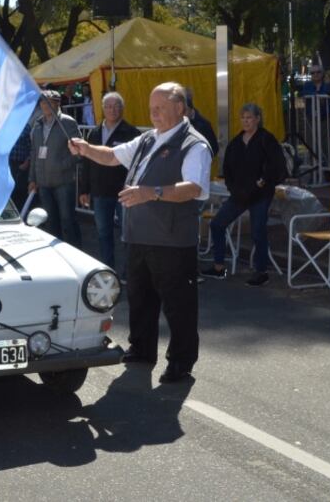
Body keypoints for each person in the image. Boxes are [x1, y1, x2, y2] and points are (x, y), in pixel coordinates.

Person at [68, 82, 212, 383]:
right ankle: (142, 348)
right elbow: (111, 156)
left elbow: (194, 188)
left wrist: (151, 192)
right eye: (151, 108)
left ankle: (181, 362)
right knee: (140, 298)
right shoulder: (148, 139)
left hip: (173, 240)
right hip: (139, 236)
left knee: (178, 305)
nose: (153, 113)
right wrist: (86, 148)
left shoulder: (194, 145)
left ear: (180, 108)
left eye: (159, 108)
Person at [201, 103, 287, 287]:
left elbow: (277, 165)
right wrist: (233, 188)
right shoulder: (236, 142)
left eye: (249, 117)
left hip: (260, 194)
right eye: (243, 118)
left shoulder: (266, 139)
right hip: (240, 194)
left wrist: (263, 181)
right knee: (217, 224)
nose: (246, 121)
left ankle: (261, 271)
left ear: (257, 119)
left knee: (258, 231)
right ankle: (218, 267)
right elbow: (228, 168)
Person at [78, 91, 140, 269]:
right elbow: (86, 163)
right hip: (100, 192)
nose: (113, 110)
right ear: (102, 109)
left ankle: (131, 272)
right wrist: (84, 190)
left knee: (127, 235)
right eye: (109, 106)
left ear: (122, 109)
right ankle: (108, 269)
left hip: (124, 193)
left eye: (116, 106)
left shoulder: (132, 133)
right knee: (103, 233)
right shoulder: (95, 133)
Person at [28, 90, 82, 247]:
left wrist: (61, 166)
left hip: (63, 182)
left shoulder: (68, 123)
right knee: (50, 222)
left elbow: (78, 152)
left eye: (49, 102)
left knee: (68, 221)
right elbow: (34, 153)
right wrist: (32, 179)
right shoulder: (37, 125)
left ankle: (75, 252)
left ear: (58, 103)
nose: (45, 105)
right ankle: (56, 253)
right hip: (43, 183)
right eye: (43, 102)